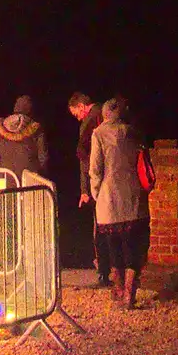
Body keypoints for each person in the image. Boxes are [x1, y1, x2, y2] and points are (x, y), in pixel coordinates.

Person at [87, 96, 149, 308]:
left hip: (109, 196)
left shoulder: (99, 134)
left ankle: (119, 290)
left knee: (113, 246)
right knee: (133, 245)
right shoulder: (133, 132)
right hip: (134, 196)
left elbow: (95, 169)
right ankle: (130, 294)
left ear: (105, 114)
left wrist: (96, 193)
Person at [69, 91, 108, 286]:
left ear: (82, 107)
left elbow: (83, 158)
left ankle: (103, 270)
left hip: (98, 181)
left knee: (99, 226)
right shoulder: (106, 115)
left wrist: (84, 189)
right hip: (116, 180)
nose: (77, 118)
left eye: (76, 114)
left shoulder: (88, 124)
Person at [0, 95, 47, 180]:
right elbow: (43, 157)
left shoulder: (1, 127)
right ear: (31, 110)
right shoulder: (36, 129)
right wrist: (42, 174)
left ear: (15, 108)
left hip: (4, 176)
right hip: (28, 179)